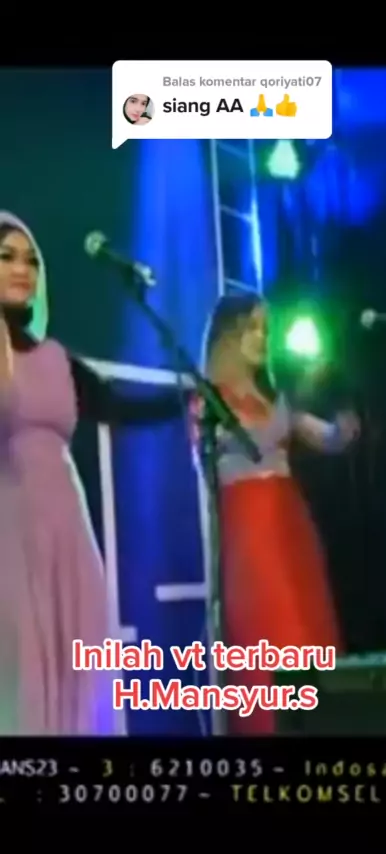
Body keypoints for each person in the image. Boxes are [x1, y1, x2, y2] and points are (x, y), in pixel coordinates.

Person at [0, 211, 182, 734]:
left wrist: (186, 398)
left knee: (78, 664)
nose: (22, 269)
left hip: (66, 530)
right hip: (11, 533)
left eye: (31, 260)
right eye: (6, 257)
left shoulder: (56, 356)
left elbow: (117, 404)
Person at [194, 294, 360, 735]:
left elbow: (330, 438)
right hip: (250, 533)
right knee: (271, 635)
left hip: (291, 528)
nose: (262, 338)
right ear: (228, 335)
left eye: (266, 329)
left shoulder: (275, 398)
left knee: (307, 633)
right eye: (252, 328)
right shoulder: (209, 401)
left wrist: (341, 409)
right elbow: (205, 463)